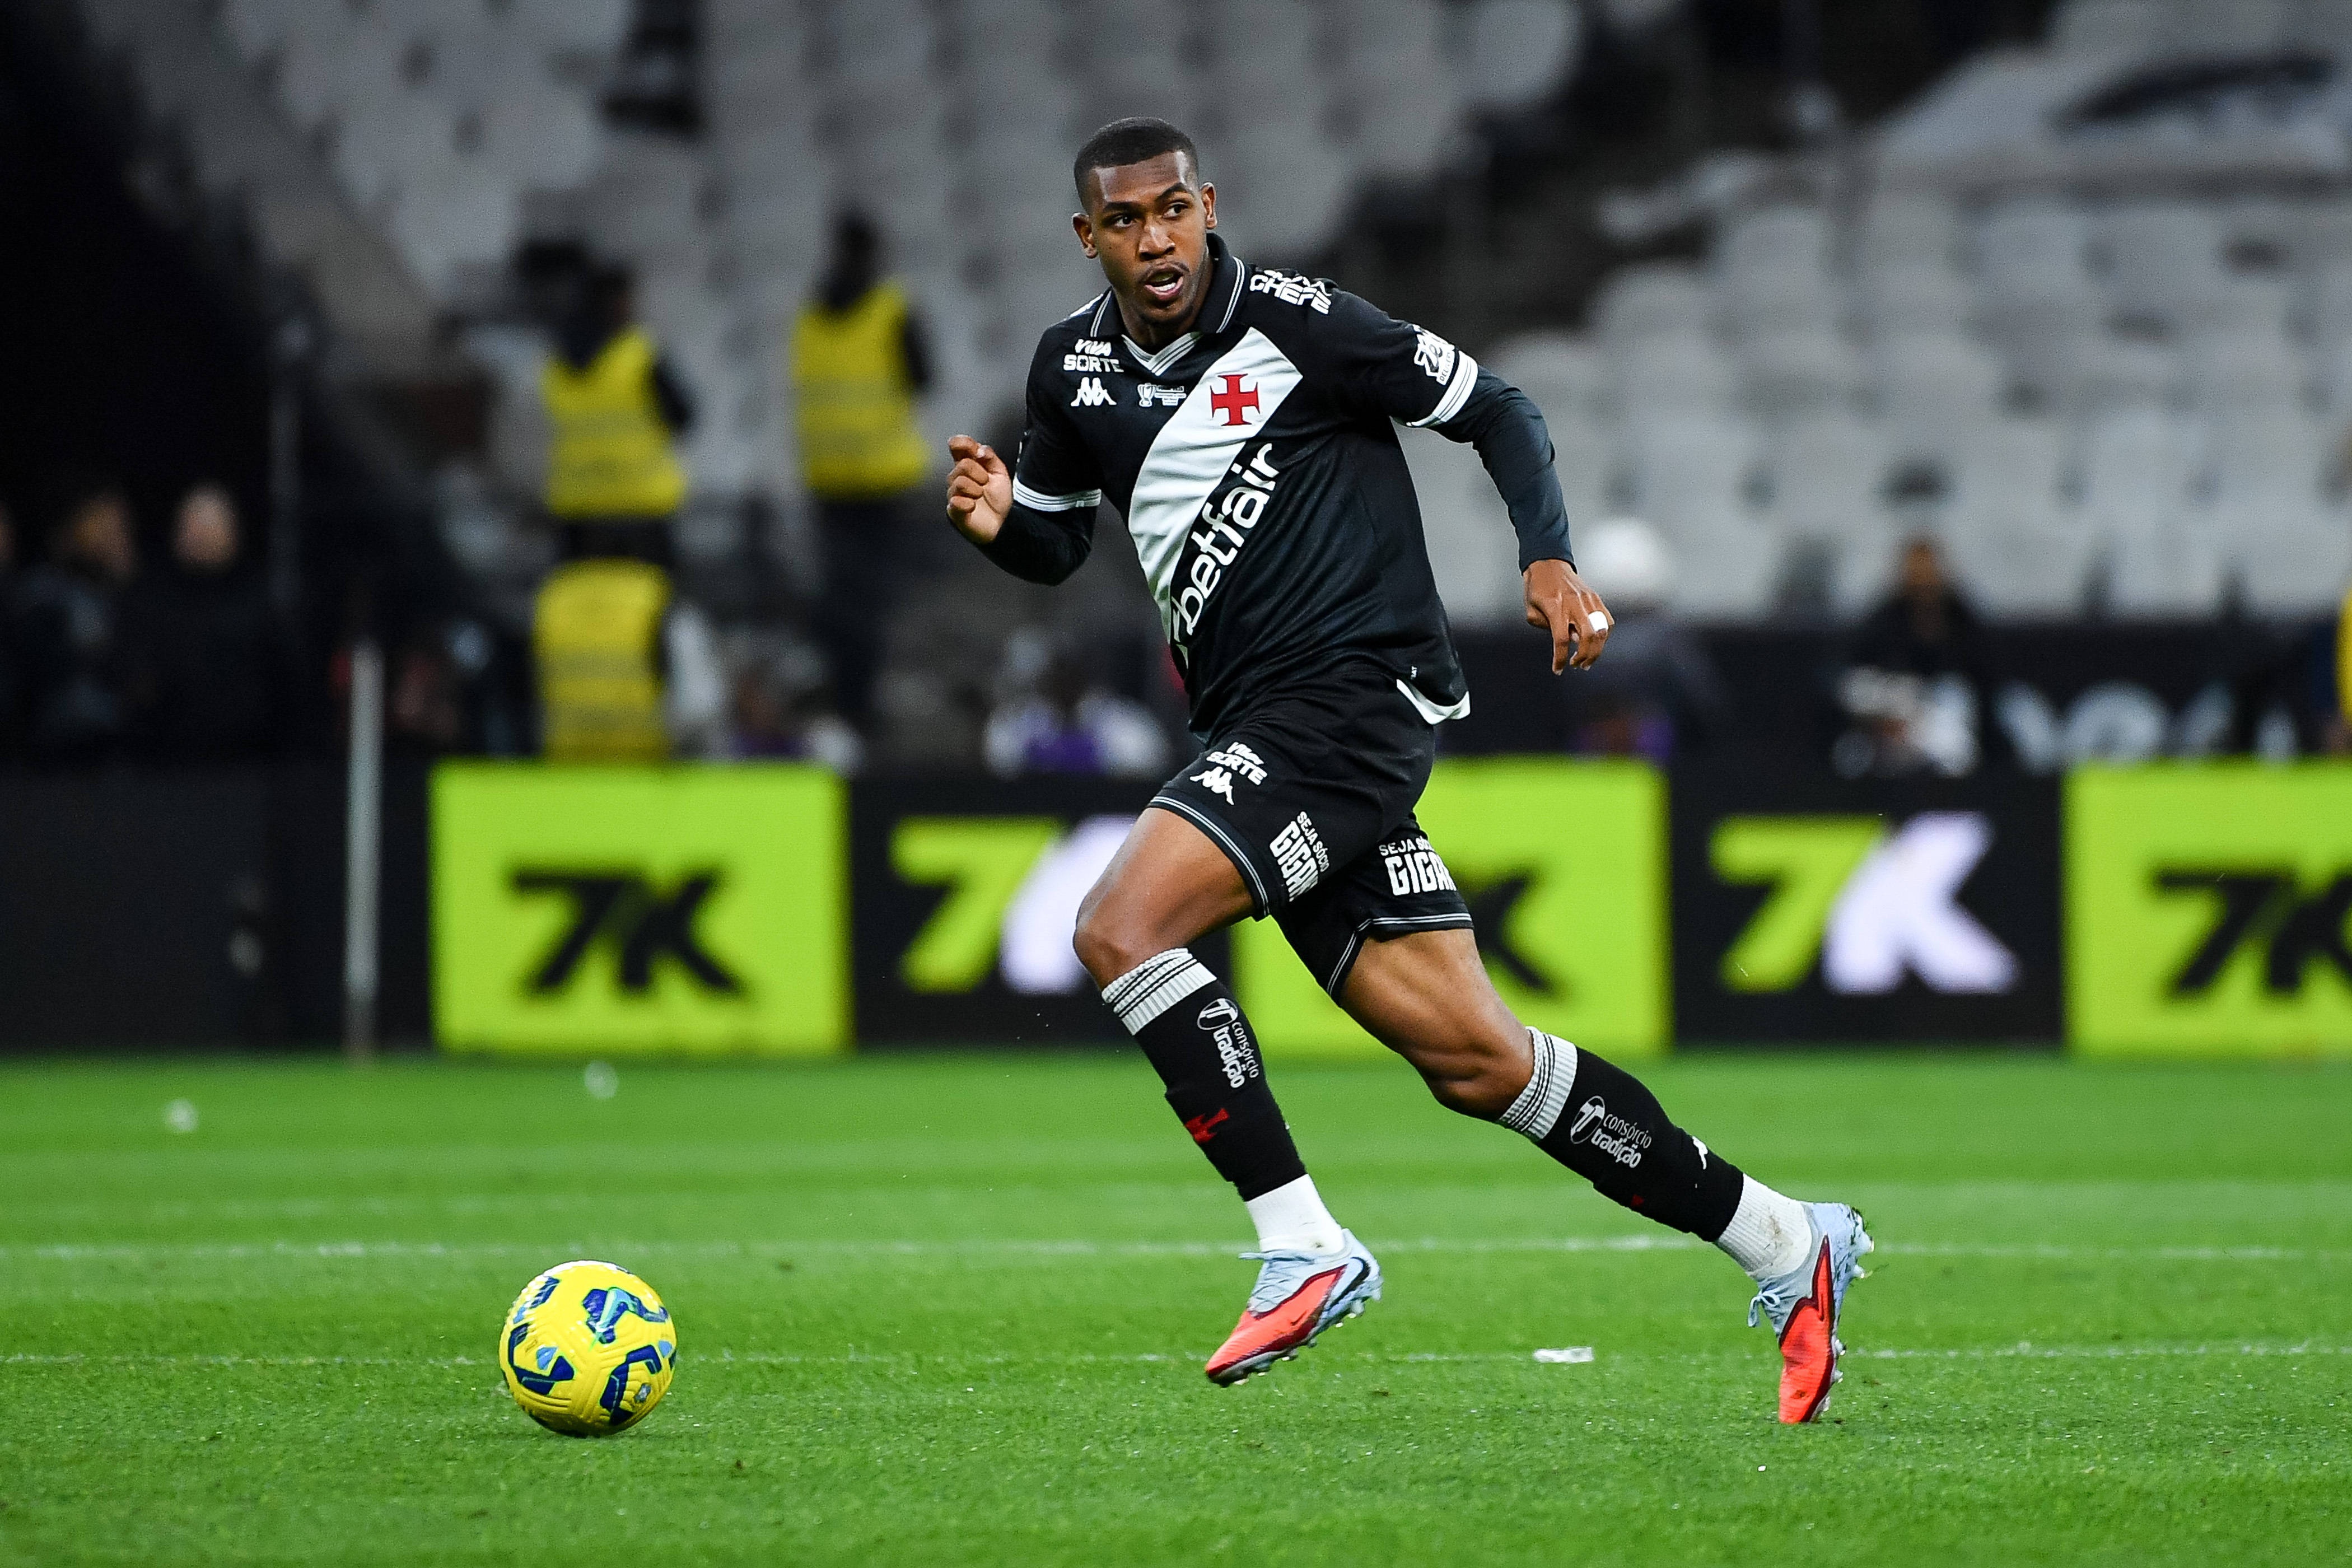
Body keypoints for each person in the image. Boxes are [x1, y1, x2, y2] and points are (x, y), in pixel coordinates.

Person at [944, 118, 1870, 1422]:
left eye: (1175, 210)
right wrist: (1000, 525)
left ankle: (1302, 1240)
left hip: (1348, 704)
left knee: (1119, 927)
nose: (1157, 239)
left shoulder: (1303, 323)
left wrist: (1547, 557)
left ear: (1209, 206)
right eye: (1127, 220)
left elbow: (1499, 409)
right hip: (1256, 725)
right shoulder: (1070, 370)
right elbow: (1053, 544)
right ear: (1087, 237)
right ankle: (1784, 1237)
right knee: (1481, 1062)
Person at [793, 209, 935, 736]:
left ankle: (844, 700)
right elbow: (923, 377)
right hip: (881, 480)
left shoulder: (810, 314)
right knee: (874, 605)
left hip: (827, 479)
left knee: (840, 600)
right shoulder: (891, 310)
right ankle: (864, 709)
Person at [539, 262, 695, 566]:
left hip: (579, 511)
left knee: (582, 592)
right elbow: (683, 415)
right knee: (648, 592)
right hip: (641, 506)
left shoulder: (555, 364)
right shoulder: (639, 356)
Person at [124, 484, 284, 762]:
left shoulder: (259, 602)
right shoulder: (151, 598)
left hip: (249, 758)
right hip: (165, 758)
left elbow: (282, 681)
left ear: (233, 534)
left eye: (209, 528)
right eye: (192, 527)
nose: (199, 537)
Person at [1832, 534, 2003, 777]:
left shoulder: (1963, 621)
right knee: (1850, 755)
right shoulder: (1882, 622)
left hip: (1947, 720)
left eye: (1929, 574)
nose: (1923, 583)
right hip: (1888, 723)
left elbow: (1984, 684)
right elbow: (1853, 684)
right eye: (1916, 575)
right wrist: (1886, 715)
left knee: (1954, 741)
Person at [13, 480, 139, 766]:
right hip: (49, 756)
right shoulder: (42, 594)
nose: (113, 535)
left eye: (119, 527)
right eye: (101, 523)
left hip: (121, 758)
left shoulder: (128, 596)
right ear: (72, 527)